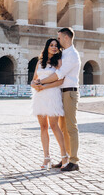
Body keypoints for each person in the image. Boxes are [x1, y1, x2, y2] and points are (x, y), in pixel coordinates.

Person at [35, 27, 81, 172]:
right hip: (60, 93)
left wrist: (42, 83)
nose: (58, 41)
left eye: (59, 38)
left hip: (69, 92)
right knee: (63, 128)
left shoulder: (72, 55)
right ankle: (64, 159)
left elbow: (59, 75)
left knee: (71, 126)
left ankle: (73, 161)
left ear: (66, 38)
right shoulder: (63, 54)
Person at [30, 38, 68, 170]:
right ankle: (46, 157)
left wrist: (44, 86)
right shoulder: (39, 62)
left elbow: (60, 80)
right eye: (51, 45)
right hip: (39, 96)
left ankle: (64, 156)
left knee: (54, 125)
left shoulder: (58, 61)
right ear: (47, 47)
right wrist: (35, 85)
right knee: (43, 127)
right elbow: (34, 79)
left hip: (52, 95)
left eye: (56, 46)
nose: (53, 47)